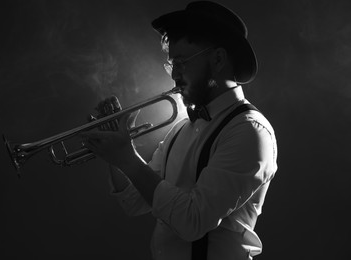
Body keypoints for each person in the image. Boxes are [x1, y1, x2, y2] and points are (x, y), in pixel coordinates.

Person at [81, 1, 278, 259]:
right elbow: (133, 200)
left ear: (218, 59)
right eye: (171, 64)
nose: (174, 74)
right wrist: (115, 154)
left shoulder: (249, 131)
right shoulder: (181, 127)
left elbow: (192, 221)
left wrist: (126, 157)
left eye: (182, 62)